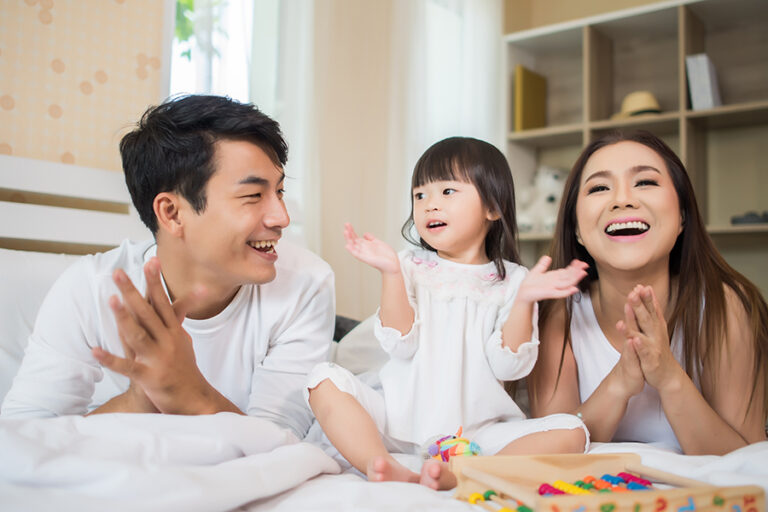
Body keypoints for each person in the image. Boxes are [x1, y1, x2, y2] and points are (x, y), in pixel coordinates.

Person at [1, 95, 335, 440]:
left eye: (279, 191)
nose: (282, 218)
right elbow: (21, 439)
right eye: (253, 196)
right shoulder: (91, 288)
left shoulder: (307, 283)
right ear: (172, 213)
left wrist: (190, 392)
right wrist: (138, 400)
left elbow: (281, 442)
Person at [306, 136, 590, 490]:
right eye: (420, 195)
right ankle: (379, 462)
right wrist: (391, 273)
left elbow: (509, 366)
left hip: (477, 436)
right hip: (396, 421)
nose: (429, 205)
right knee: (322, 379)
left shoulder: (515, 281)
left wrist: (524, 301)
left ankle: (464, 473)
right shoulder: (409, 264)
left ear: (493, 208)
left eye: (447, 192)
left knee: (572, 430)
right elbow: (401, 345)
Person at [529, 130, 768, 455]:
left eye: (645, 182)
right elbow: (545, 454)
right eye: (599, 188)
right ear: (577, 230)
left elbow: (748, 460)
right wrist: (619, 383)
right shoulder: (559, 313)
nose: (623, 199)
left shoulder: (724, 306)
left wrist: (669, 377)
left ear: (683, 215)